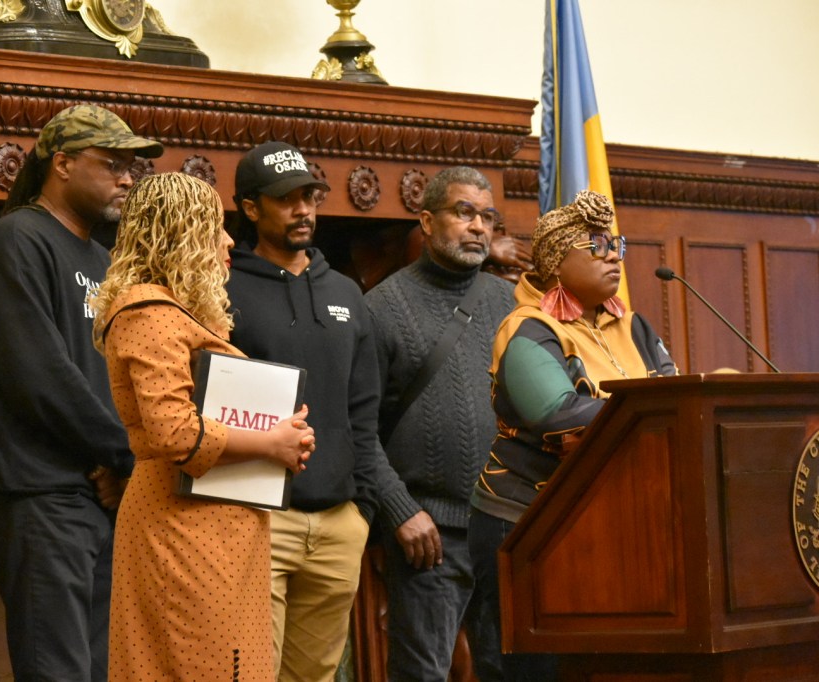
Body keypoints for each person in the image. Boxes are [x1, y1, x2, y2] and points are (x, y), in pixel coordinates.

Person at [91, 172, 315, 681]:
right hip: (181, 527)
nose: (230, 241)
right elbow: (174, 433)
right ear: (181, 234)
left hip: (216, 524)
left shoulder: (179, 312)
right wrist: (270, 443)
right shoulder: (148, 311)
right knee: (200, 667)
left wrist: (286, 436)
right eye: (216, 228)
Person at [0, 104, 162, 682]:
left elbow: (116, 374)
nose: (126, 179)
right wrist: (126, 453)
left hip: (100, 496)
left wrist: (121, 466)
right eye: (112, 164)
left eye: (132, 168)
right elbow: (41, 378)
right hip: (39, 498)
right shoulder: (17, 240)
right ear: (63, 163)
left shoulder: (104, 259)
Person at [469, 189, 678, 681]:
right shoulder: (528, 329)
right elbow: (556, 412)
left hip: (611, 518)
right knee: (537, 669)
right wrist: (644, 412)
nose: (613, 257)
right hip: (528, 522)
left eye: (616, 245)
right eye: (597, 247)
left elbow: (675, 402)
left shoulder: (634, 326)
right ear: (556, 262)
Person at [227, 141, 381, 680]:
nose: (303, 210)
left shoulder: (346, 292)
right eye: (287, 199)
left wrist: (361, 510)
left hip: (339, 524)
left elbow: (365, 411)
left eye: (310, 197)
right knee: (250, 675)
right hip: (258, 519)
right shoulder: (223, 285)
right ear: (251, 208)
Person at [364, 166, 516, 682]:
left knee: (515, 670)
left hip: (506, 529)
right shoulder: (381, 307)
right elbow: (358, 428)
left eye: (487, 217)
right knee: (421, 673)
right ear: (427, 222)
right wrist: (400, 510)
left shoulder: (510, 303)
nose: (478, 227)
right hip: (428, 534)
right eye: (464, 212)